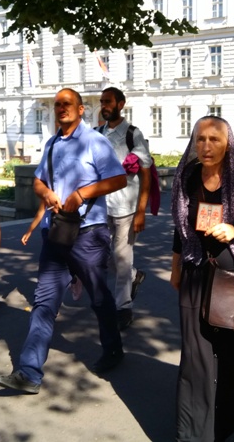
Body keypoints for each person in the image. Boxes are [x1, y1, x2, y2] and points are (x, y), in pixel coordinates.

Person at [0, 88, 127, 394]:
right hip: (56, 233)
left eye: (67, 104)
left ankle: (113, 349)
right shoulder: (52, 143)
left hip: (88, 233)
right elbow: (38, 181)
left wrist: (82, 193)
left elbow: (119, 178)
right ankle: (29, 372)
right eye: (57, 105)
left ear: (80, 110)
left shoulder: (94, 141)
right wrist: (46, 193)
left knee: (99, 296)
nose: (61, 108)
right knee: (44, 301)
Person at [171, 116, 234, 441]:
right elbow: (181, 228)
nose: (206, 146)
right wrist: (176, 267)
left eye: (214, 139)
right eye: (201, 139)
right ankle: (193, 431)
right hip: (196, 272)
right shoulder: (188, 176)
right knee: (196, 352)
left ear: (228, 143)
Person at [97, 87, 151, 330]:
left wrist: (141, 211)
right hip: (101, 207)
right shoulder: (97, 133)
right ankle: (133, 275)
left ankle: (124, 308)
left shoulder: (132, 134)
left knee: (121, 258)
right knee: (101, 256)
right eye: (102, 102)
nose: (104, 106)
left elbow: (146, 173)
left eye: (108, 101)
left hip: (126, 208)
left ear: (121, 104)